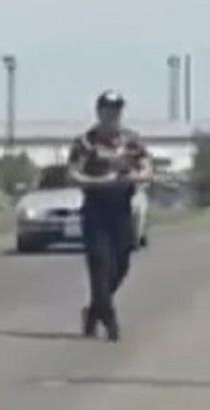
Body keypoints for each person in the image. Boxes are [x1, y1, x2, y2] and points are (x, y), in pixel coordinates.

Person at [67, 90, 152, 342]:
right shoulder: (86, 142)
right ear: (99, 112)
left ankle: (94, 310)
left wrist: (134, 177)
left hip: (121, 210)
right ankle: (109, 319)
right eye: (107, 109)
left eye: (116, 110)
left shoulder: (131, 141)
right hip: (96, 209)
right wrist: (100, 181)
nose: (112, 115)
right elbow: (73, 174)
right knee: (100, 265)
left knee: (121, 265)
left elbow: (147, 169)